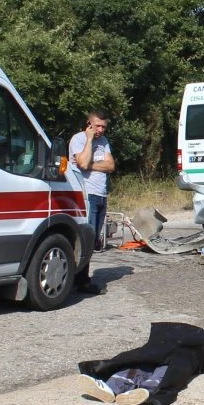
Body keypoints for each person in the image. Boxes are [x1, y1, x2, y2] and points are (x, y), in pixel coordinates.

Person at [70, 111, 115, 293]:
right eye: (97, 126)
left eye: (104, 126)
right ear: (88, 124)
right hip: (86, 194)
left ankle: (81, 277)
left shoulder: (104, 142)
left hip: (101, 195)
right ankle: (81, 281)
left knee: (94, 238)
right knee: (85, 239)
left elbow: (111, 166)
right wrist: (89, 140)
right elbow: (81, 163)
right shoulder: (79, 139)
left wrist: (90, 165)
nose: (100, 130)